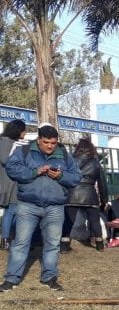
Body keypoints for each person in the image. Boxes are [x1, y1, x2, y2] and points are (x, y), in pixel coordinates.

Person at [0, 125, 81, 292]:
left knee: (52, 244)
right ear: (38, 140)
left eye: (53, 143)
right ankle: (11, 279)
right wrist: (34, 172)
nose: (50, 146)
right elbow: (12, 169)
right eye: (46, 142)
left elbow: (77, 177)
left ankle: (49, 277)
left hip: (55, 206)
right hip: (27, 205)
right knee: (21, 243)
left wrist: (61, 176)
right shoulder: (24, 151)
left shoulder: (64, 154)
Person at [60, 138, 109, 252]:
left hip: (73, 193)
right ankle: (100, 244)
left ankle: (64, 245)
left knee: (68, 221)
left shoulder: (70, 161)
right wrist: (104, 200)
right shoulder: (95, 163)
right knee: (94, 220)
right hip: (90, 194)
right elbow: (102, 184)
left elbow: (64, 177)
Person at [0, 119, 27, 249]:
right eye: (24, 130)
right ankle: (6, 239)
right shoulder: (6, 142)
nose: (25, 133)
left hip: (11, 181)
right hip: (9, 182)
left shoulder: (8, 142)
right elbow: (5, 159)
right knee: (12, 210)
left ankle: (8, 237)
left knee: (13, 210)